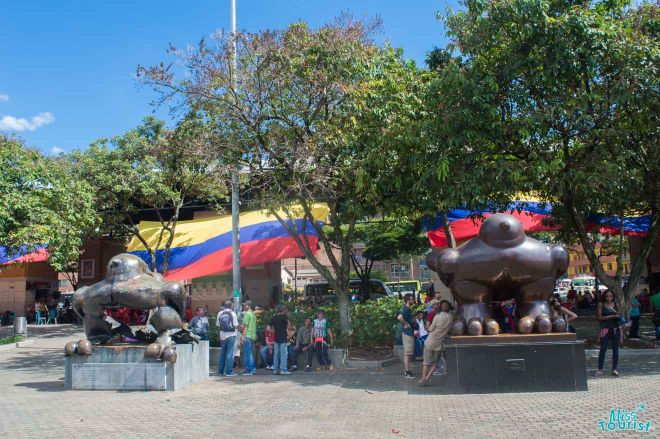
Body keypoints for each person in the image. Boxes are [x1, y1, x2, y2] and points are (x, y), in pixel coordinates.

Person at [418, 300, 453, 386]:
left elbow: (430, 329)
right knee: (434, 363)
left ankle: (423, 379)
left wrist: (427, 327)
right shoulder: (450, 317)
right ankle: (427, 378)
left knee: (426, 362)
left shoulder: (437, 317)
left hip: (430, 342)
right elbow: (450, 330)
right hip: (439, 344)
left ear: (440, 307)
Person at [595, 290, 623, 377]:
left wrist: (618, 317)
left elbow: (620, 314)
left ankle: (614, 369)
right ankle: (600, 369)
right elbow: (599, 317)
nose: (609, 298)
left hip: (615, 329)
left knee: (616, 350)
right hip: (605, 329)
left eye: (611, 296)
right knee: (603, 349)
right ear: (604, 296)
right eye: (607, 296)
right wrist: (612, 316)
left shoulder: (616, 304)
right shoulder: (601, 304)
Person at [216, 301, 238, 377]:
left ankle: (221, 371)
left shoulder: (220, 313)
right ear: (231, 306)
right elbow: (235, 325)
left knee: (222, 353)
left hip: (222, 335)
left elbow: (218, 325)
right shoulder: (233, 314)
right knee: (230, 353)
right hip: (231, 335)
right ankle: (229, 372)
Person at [397, 293, 416, 378]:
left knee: (408, 353)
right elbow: (399, 317)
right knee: (407, 353)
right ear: (408, 300)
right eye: (412, 299)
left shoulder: (407, 308)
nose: (413, 301)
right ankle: (407, 372)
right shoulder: (406, 309)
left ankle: (408, 370)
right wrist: (406, 323)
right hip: (407, 332)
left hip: (408, 332)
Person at [269, 304, 291, 375]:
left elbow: (269, 328)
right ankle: (283, 369)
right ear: (283, 310)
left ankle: (275, 370)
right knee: (283, 354)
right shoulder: (284, 317)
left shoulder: (274, 317)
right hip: (283, 338)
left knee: (276, 354)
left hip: (276, 338)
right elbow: (288, 326)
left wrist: (274, 331)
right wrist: (289, 324)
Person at [240, 300, 257, 375]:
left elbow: (245, 326)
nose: (244, 306)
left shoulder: (247, 314)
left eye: (245, 305)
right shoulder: (253, 314)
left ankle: (249, 370)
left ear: (249, 306)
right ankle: (252, 369)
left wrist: (242, 336)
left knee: (248, 353)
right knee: (250, 353)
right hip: (252, 335)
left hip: (247, 335)